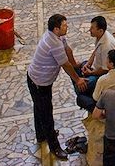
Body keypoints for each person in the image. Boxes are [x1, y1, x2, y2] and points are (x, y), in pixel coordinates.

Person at [28, 14, 86, 160]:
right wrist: (78, 79)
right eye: (64, 25)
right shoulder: (52, 43)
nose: (67, 27)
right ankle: (54, 146)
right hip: (38, 83)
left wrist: (76, 64)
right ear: (56, 29)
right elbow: (64, 64)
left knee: (39, 107)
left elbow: (68, 51)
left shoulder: (58, 37)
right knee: (46, 113)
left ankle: (41, 135)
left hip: (41, 81)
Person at [73, 16, 115, 111]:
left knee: (79, 88)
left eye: (92, 28)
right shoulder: (100, 36)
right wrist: (88, 64)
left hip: (100, 73)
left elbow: (105, 69)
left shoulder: (107, 46)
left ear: (100, 30)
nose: (90, 30)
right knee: (76, 70)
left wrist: (91, 73)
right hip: (96, 67)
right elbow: (95, 51)